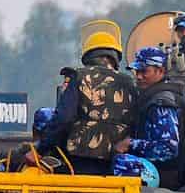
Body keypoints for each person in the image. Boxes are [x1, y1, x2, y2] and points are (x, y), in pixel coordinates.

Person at [36, 20, 135, 176]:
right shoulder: (130, 82)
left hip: (79, 161)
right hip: (116, 164)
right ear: (115, 56)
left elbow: (64, 118)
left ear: (88, 55)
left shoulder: (79, 76)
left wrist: (40, 149)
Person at [113, 47, 185, 190]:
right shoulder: (150, 97)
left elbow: (168, 148)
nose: (139, 77)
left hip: (164, 182)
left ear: (160, 71)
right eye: (137, 71)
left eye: (144, 71)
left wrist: (130, 144)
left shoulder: (162, 103)